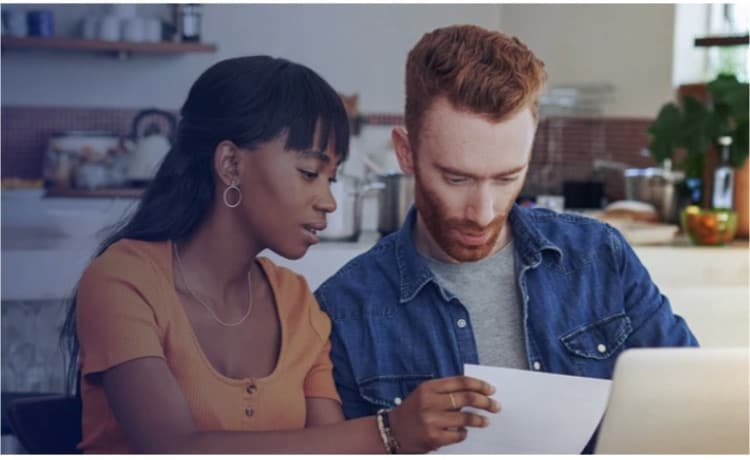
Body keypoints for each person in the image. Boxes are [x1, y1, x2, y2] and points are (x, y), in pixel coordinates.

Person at [60, 56, 499, 454]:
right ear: (231, 164)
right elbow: (174, 447)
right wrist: (389, 432)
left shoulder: (296, 301)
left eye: (331, 178)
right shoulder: (123, 281)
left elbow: (329, 447)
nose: (328, 200)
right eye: (310, 172)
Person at [314, 25, 698, 450]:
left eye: (507, 178)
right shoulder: (343, 309)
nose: (483, 212)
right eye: (456, 178)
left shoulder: (601, 256)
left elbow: (691, 402)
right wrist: (392, 435)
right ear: (406, 152)